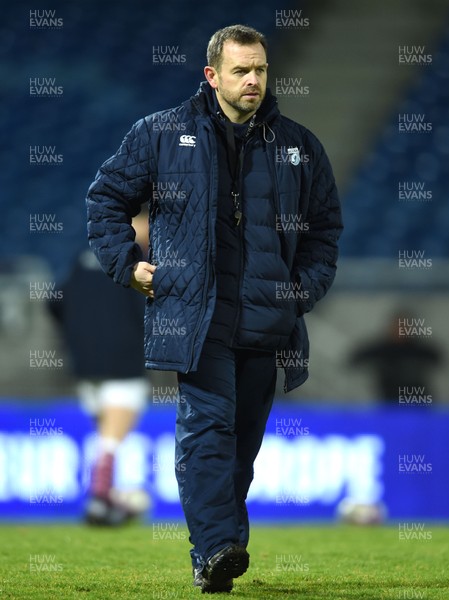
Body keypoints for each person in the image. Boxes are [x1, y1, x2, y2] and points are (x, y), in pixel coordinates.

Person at [86, 24, 342, 593]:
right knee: (207, 431)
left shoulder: (298, 145)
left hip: (267, 319)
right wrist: (127, 264)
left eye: (261, 70)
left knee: (242, 446)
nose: (254, 80)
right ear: (212, 75)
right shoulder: (160, 134)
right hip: (195, 319)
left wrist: (300, 290)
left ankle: (223, 545)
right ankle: (216, 549)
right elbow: (105, 199)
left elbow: (325, 229)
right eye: (241, 71)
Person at [49, 212, 151, 525]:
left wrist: (76, 338)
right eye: (146, 220)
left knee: (105, 433)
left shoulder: (84, 257)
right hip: (123, 361)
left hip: (85, 364)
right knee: (111, 438)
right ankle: (100, 494)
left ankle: (109, 499)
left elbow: (54, 301)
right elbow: (149, 311)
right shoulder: (137, 263)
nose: (149, 227)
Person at [348, 310, 444, 404]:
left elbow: (438, 359)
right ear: (390, 328)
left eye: (404, 327)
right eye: (396, 326)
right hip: (388, 404)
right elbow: (355, 359)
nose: (399, 330)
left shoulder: (419, 349)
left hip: (418, 403)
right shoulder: (380, 349)